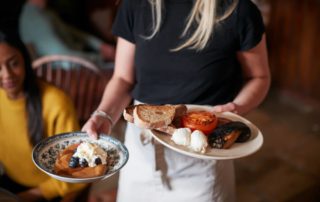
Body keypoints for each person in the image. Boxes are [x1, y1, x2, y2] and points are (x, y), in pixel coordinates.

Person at [82, 0, 271, 201]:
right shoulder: (135, 5)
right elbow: (123, 78)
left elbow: (259, 77)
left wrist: (236, 108)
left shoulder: (238, 10)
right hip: (140, 153)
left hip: (203, 159)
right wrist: (103, 114)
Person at [0, 29, 86, 201]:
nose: (7, 75)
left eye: (14, 63)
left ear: (25, 60)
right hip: (11, 180)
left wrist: (27, 196)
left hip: (50, 189)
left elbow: (76, 173)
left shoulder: (56, 101)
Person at [19, 0, 115, 69]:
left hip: (79, 61)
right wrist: (100, 57)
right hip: (65, 71)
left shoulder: (46, 12)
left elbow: (72, 32)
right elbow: (64, 57)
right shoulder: (33, 18)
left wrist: (100, 46)